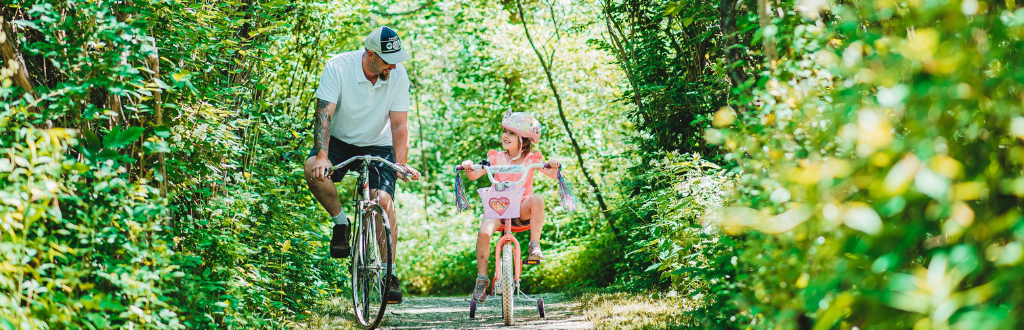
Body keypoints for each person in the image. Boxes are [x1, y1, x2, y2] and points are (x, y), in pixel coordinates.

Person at [304, 26, 421, 304]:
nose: (394, 65)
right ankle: (341, 223)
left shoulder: (397, 74)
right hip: (340, 140)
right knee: (312, 169)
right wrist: (322, 155)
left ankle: (389, 272)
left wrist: (400, 164)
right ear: (370, 55)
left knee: (382, 200)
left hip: (379, 144)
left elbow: (399, 124)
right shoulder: (338, 67)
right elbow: (324, 114)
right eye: (387, 59)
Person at [459, 111, 561, 303]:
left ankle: (534, 245)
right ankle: (482, 279)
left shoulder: (532, 159)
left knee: (537, 198)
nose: (505, 136)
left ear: (523, 139)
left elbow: (552, 175)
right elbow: (474, 175)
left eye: (511, 133)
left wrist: (553, 165)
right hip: (498, 208)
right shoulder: (495, 157)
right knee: (483, 233)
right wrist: (468, 166)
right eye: (504, 131)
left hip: (520, 209)